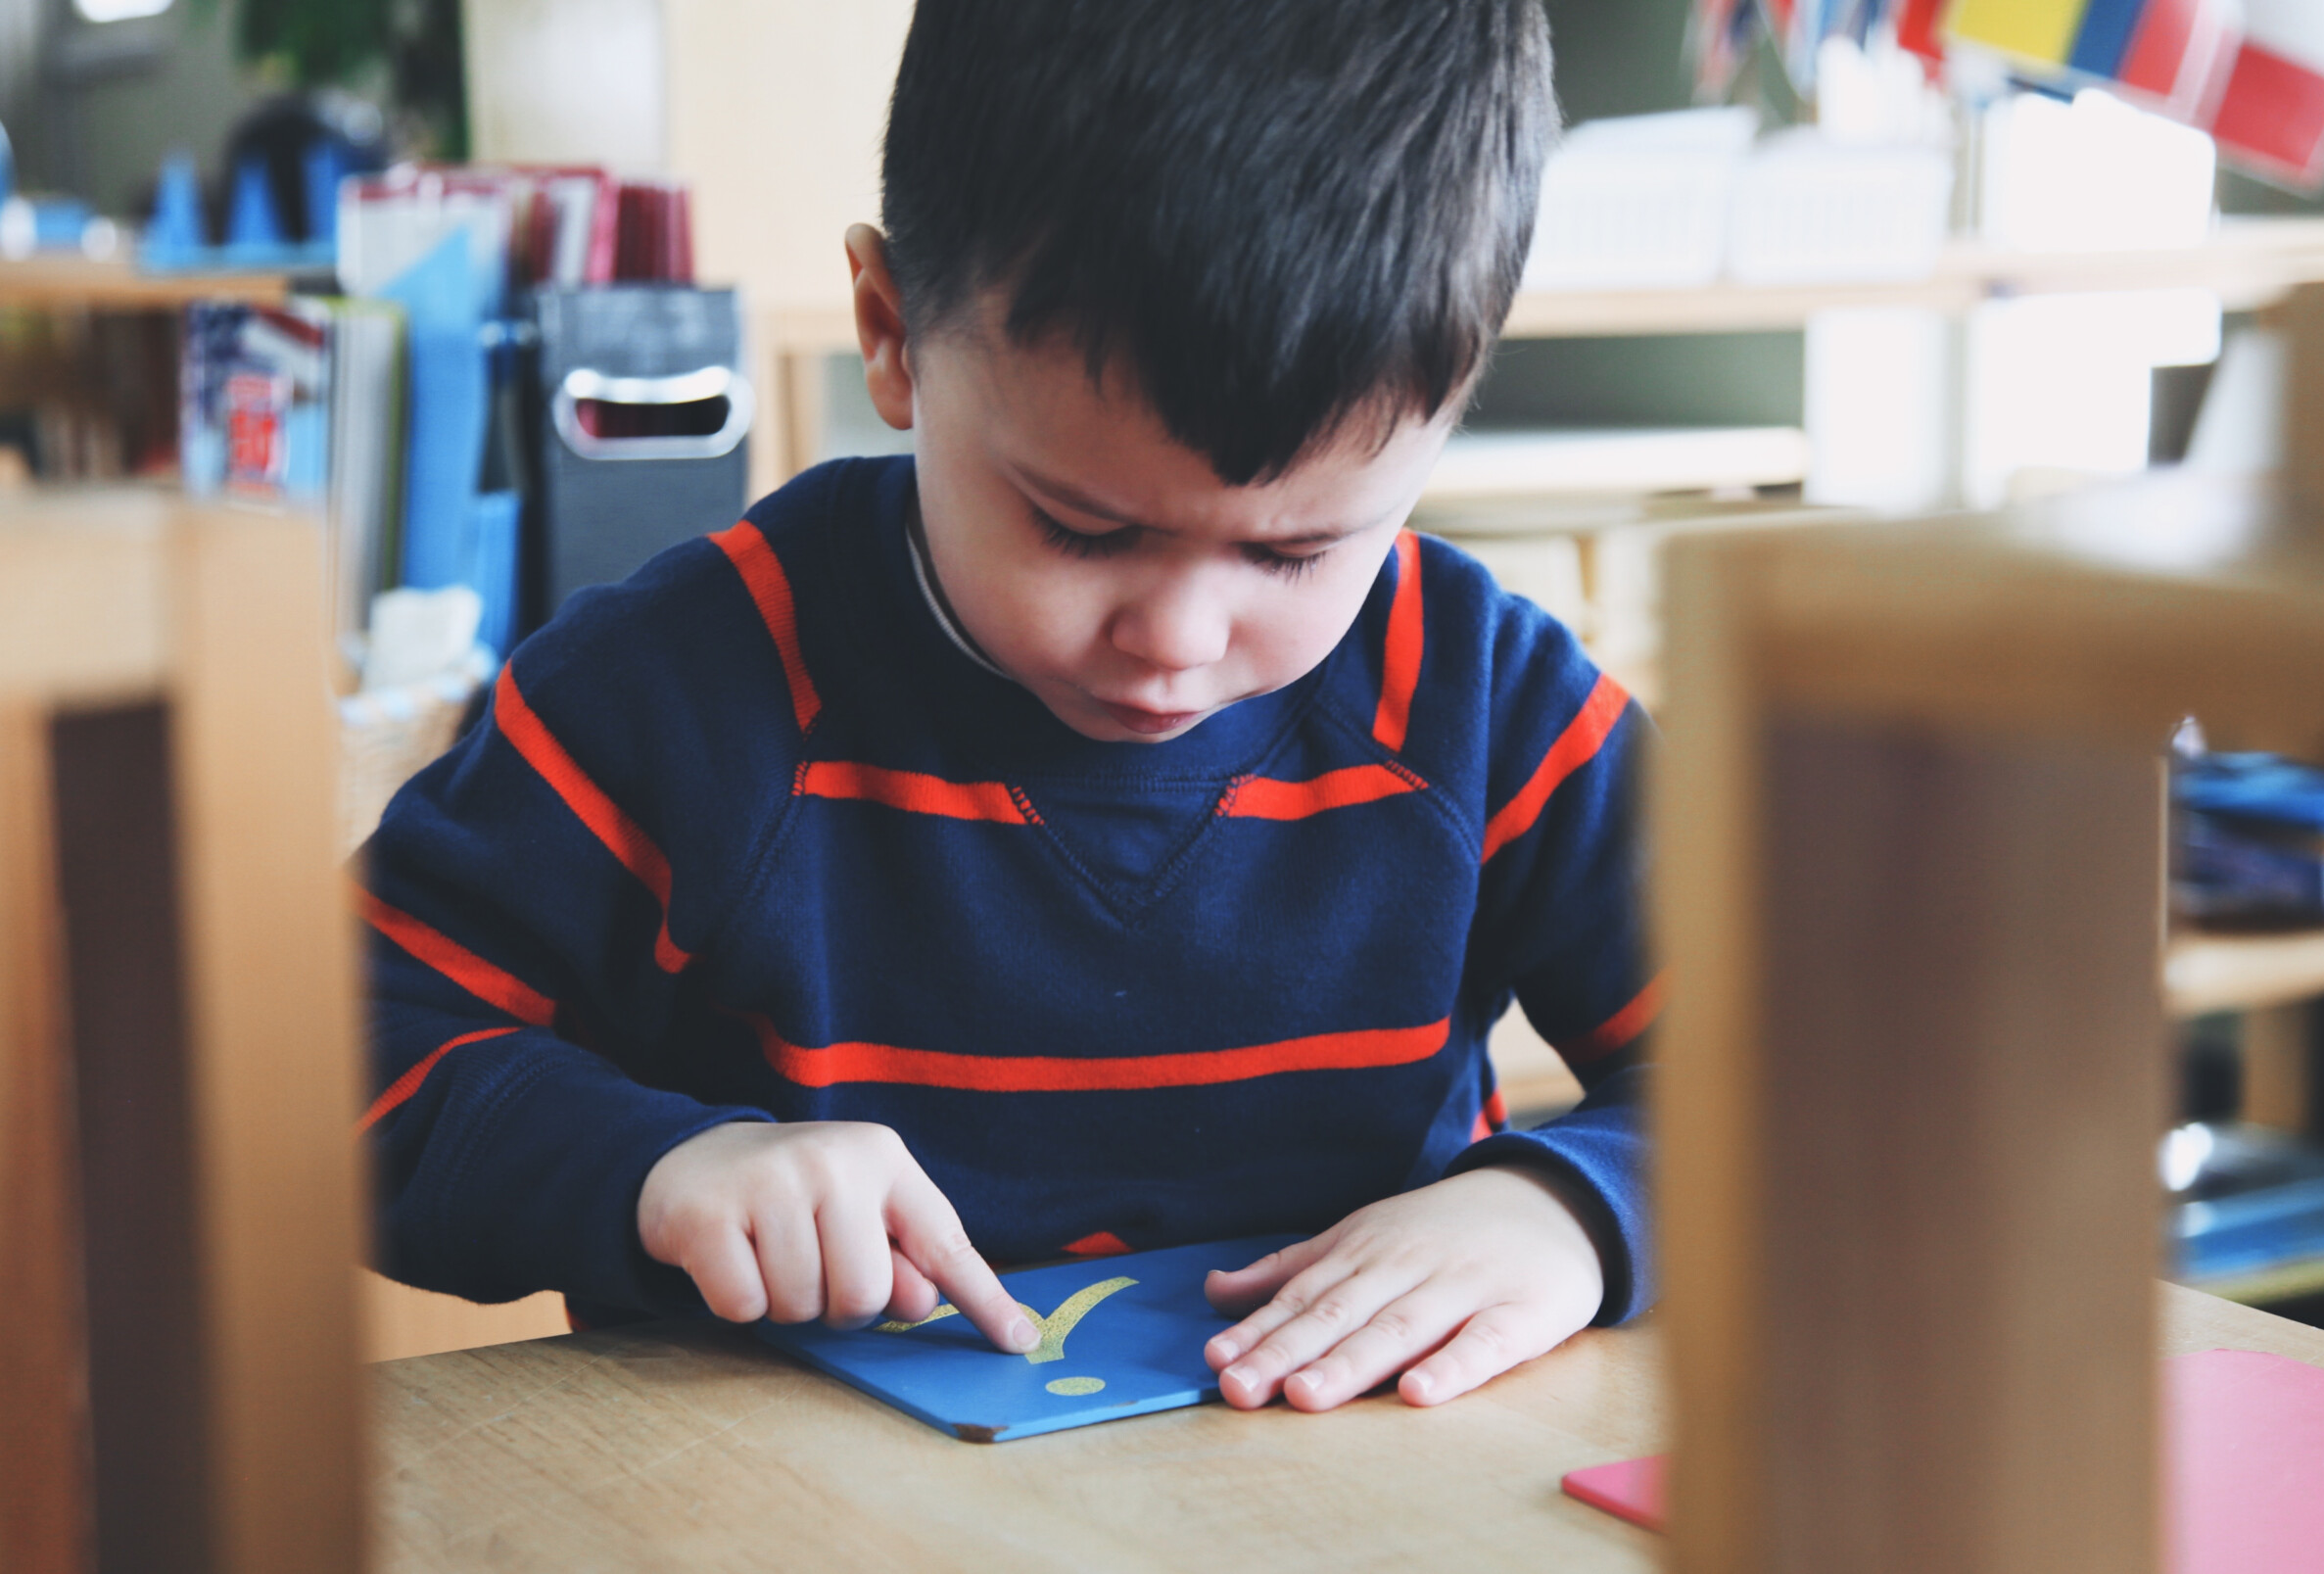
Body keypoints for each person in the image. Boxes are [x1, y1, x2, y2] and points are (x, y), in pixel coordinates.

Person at [362, 0, 1655, 1415]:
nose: (1177, 640)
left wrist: (1569, 1213)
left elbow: (1836, 1070)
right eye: (1082, 530)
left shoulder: (1488, 705)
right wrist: (660, 1170)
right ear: (893, 333)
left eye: (1294, 552)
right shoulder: (677, 695)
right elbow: (326, 1060)